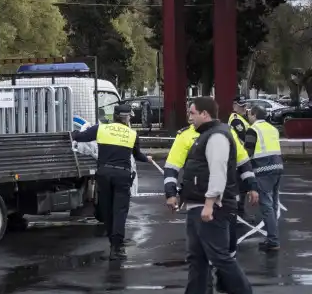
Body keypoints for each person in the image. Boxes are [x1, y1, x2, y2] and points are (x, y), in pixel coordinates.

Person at [163, 108, 258, 293]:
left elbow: (242, 162)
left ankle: (232, 286)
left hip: (221, 202)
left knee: (223, 253)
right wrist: (171, 193)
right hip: (199, 202)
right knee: (199, 256)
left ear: (204, 114)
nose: (189, 117)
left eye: (192, 113)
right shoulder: (185, 136)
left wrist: (252, 185)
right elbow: (172, 167)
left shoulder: (221, 135)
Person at [73, 103, 151, 259]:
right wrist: (147, 159)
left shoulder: (101, 129)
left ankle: (111, 240)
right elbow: (137, 155)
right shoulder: (132, 134)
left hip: (104, 173)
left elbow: (80, 137)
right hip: (122, 176)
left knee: (107, 209)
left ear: (114, 116)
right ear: (127, 117)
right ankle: (116, 248)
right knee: (120, 211)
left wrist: (72, 132)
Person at [244, 105, 283, 252]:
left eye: (249, 114)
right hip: (278, 168)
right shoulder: (272, 129)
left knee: (266, 206)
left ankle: (273, 240)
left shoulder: (253, 129)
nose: (248, 116)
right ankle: (272, 237)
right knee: (272, 205)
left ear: (254, 114)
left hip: (262, 169)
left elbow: (247, 152)